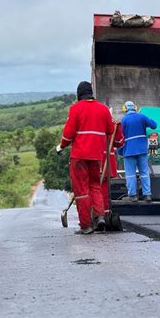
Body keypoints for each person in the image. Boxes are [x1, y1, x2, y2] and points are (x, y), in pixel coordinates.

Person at [56, 81, 115, 234]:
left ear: (79, 94)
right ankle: (100, 216)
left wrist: (61, 146)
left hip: (79, 156)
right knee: (95, 186)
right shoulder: (103, 109)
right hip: (97, 155)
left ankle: (86, 225)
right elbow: (110, 129)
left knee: (82, 190)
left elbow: (68, 134)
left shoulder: (76, 108)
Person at [120, 101, 157, 202]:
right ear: (135, 108)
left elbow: (120, 137)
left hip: (129, 151)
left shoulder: (123, 120)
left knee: (130, 174)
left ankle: (133, 196)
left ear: (125, 109)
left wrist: (120, 151)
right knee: (144, 172)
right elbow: (154, 125)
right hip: (142, 150)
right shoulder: (142, 117)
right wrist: (146, 118)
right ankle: (147, 195)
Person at [100, 119, 124, 211]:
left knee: (96, 189)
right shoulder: (112, 124)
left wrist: (117, 127)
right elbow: (119, 142)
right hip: (103, 163)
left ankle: (100, 213)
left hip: (98, 161)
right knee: (103, 190)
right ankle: (102, 212)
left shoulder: (112, 125)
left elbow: (118, 142)